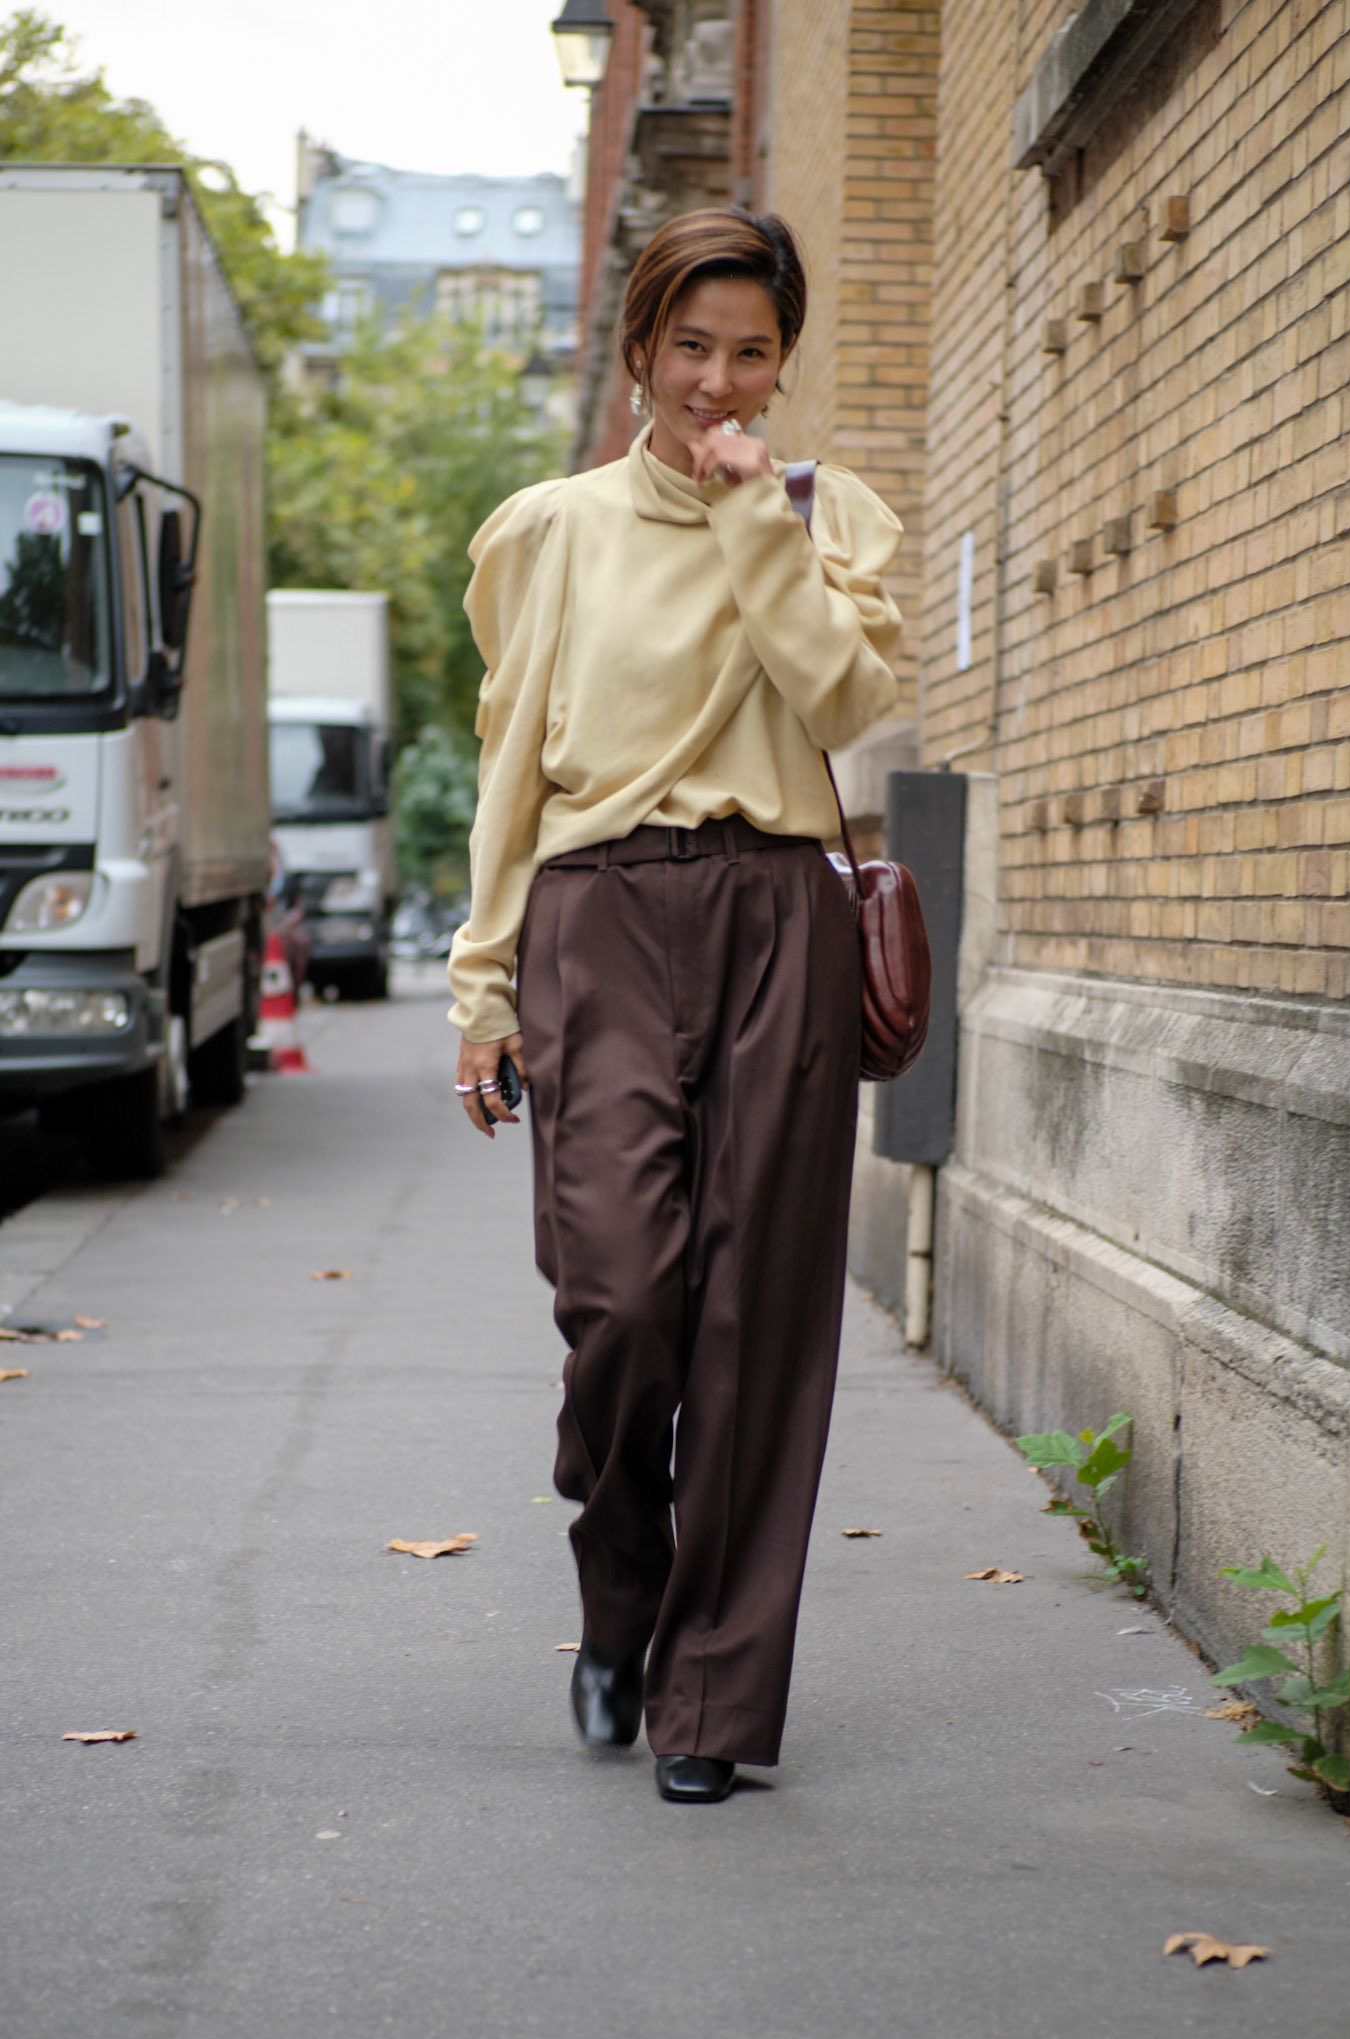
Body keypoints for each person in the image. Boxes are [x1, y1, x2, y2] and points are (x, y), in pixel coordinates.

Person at [447, 208, 902, 1804]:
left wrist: (755, 522)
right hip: (597, 918)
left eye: (750, 353)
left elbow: (845, 697)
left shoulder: (826, 513)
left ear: (782, 362)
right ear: (639, 350)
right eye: (690, 347)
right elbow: (513, 759)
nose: (717, 381)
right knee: (624, 1298)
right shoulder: (550, 529)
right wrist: (482, 983)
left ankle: (709, 1697)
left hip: (779, 915)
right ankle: (619, 1580)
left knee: (755, 1321)